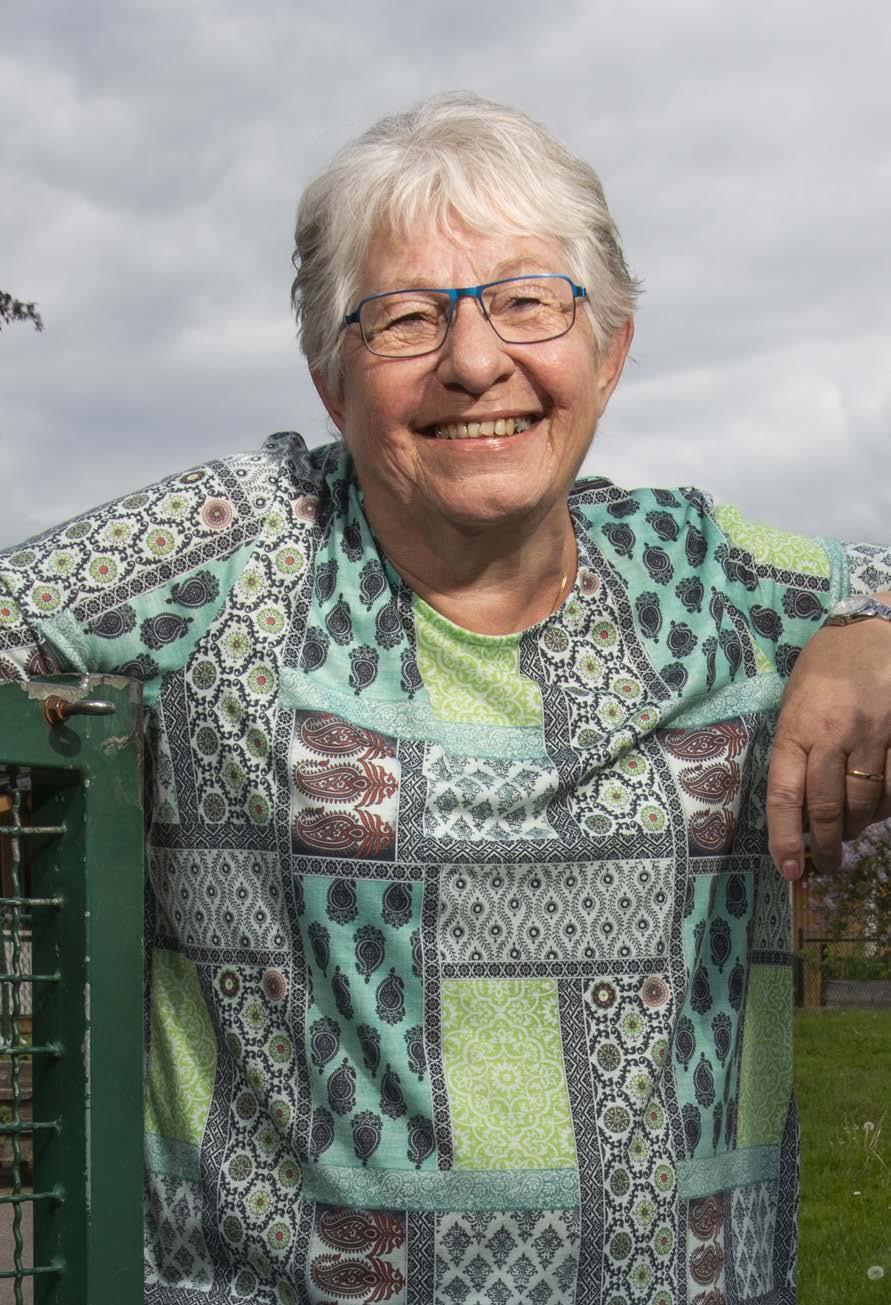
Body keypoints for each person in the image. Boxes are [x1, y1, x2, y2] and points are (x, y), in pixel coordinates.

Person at [1, 92, 889, 1304]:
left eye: (530, 301)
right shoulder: (236, 547)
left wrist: (875, 628)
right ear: (331, 378)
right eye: (407, 317)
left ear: (612, 349)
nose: (477, 362)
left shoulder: (711, 573)